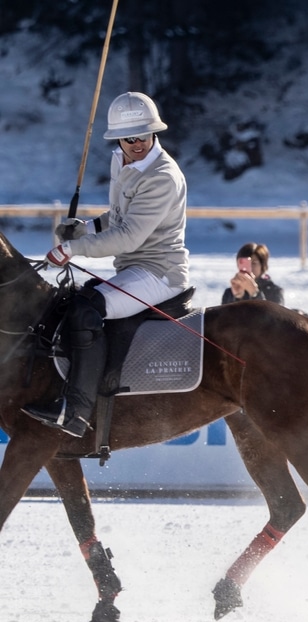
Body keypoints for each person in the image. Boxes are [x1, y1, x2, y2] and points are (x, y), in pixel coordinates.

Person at [22, 91, 189, 438]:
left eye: (145, 135)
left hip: (159, 273)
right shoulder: (121, 161)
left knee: (86, 312)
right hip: (132, 269)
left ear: (154, 132)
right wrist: (87, 227)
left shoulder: (162, 176)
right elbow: (117, 216)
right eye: (130, 138)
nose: (138, 143)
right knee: (70, 303)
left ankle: (77, 411)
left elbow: (129, 236)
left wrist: (73, 248)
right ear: (118, 139)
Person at [220, 242, 285, 305]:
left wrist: (255, 294)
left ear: (263, 265)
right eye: (244, 264)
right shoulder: (230, 292)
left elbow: (274, 315)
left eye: (254, 263)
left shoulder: (274, 291)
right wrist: (237, 298)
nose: (250, 267)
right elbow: (226, 316)